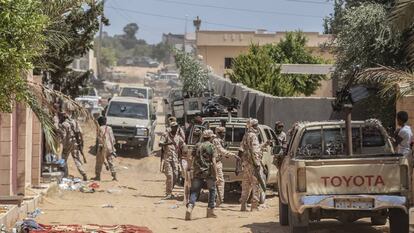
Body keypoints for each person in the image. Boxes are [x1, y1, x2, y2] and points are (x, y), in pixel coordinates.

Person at [186, 130, 218, 220]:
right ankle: (210, 211)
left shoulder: (197, 145)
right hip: (208, 172)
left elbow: (190, 157)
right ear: (210, 137)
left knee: (194, 191)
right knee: (212, 190)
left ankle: (190, 207)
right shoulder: (211, 146)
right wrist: (216, 175)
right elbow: (214, 162)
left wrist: (189, 168)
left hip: (197, 172)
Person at [239, 119, 269, 211]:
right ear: (252, 126)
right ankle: (254, 206)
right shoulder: (253, 136)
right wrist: (257, 164)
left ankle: (243, 205)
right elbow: (255, 151)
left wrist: (263, 145)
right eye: (255, 125)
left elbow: (242, 149)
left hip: (246, 164)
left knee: (246, 185)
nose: (257, 127)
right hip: (253, 164)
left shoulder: (246, 135)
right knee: (256, 185)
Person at [159, 122, 185, 199]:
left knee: (176, 175)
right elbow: (160, 144)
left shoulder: (178, 137)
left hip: (175, 159)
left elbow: (183, 145)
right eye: (174, 127)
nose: (175, 128)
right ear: (171, 127)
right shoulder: (166, 135)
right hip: (167, 158)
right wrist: (167, 143)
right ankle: (168, 193)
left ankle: (170, 190)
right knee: (169, 176)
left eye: (176, 127)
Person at [212, 127, 237, 206]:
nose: (224, 134)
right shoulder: (216, 140)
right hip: (215, 163)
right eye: (223, 133)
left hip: (218, 162)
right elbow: (221, 150)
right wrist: (232, 155)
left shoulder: (219, 140)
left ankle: (217, 200)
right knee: (220, 181)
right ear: (219, 133)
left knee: (216, 182)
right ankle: (219, 200)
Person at [60, 112, 88, 181]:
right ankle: (83, 173)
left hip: (68, 143)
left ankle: (65, 175)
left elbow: (64, 136)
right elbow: (81, 132)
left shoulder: (64, 124)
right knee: (77, 159)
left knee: (63, 158)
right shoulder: (75, 122)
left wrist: (62, 143)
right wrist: (81, 143)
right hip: (76, 143)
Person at [92, 116, 117, 181]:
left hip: (102, 147)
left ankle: (98, 176)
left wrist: (98, 149)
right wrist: (112, 148)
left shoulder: (99, 128)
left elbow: (99, 139)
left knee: (99, 162)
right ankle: (114, 176)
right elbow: (113, 139)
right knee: (111, 161)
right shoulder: (109, 128)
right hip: (110, 147)